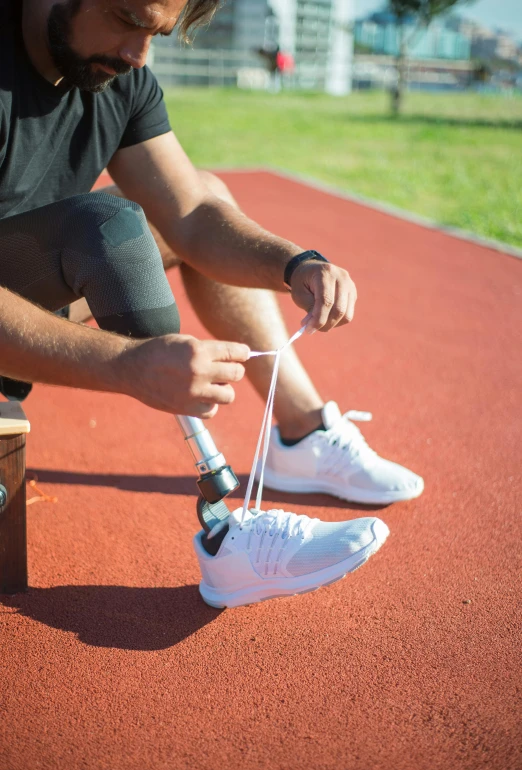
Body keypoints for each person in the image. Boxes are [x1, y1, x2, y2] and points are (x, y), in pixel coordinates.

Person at [0, 0, 422, 608]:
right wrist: (125, 366)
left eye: (157, 34)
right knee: (106, 228)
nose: (137, 54)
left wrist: (296, 262)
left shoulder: (122, 77)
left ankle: (300, 436)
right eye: (128, 19)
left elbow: (194, 215)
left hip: (24, 292)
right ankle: (226, 531)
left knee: (201, 198)